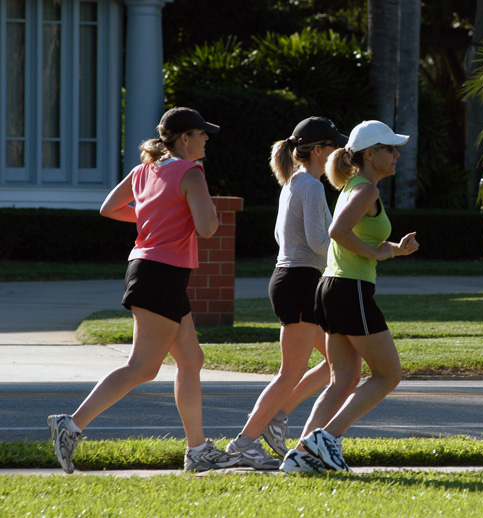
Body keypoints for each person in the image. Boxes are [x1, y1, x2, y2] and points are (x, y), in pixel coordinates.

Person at [47, 107, 242, 473]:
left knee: (191, 360)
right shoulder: (191, 172)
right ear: (184, 138)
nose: (206, 139)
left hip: (149, 269)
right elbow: (207, 228)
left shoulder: (143, 170)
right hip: (162, 273)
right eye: (201, 134)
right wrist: (189, 209)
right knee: (142, 367)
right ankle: (70, 425)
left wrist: (158, 213)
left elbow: (109, 207)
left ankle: (198, 450)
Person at [282, 120, 419, 472]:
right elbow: (338, 232)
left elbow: (357, 239)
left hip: (332, 288)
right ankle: (327, 438)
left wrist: (394, 251)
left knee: (342, 379)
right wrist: (377, 255)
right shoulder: (366, 192)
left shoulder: (354, 187)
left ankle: (302, 452)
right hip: (350, 289)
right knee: (388, 374)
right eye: (389, 149)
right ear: (370, 155)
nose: (396, 155)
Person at [225, 117, 348, 470]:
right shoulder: (310, 186)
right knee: (290, 372)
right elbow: (317, 241)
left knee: (337, 362)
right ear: (319, 150)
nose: (339, 153)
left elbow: (287, 240)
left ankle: (277, 418)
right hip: (299, 283)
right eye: (334, 146)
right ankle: (245, 442)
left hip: (296, 280)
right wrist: (352, 252)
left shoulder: (295, 183)